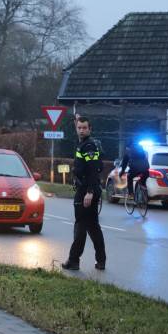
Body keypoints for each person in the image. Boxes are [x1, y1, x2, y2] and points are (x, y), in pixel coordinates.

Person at [62, 116, 106, 271]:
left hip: (86, 191)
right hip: (87, 189)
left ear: (90, 129)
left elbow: (93, 171)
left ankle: (73, 260)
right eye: (79, 127)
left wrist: (89, 192)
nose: (81, 130)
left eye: (84, 128)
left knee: (81, 225)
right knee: (93, 226)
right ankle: (101, 260)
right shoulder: (83, 144)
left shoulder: (89, 146)